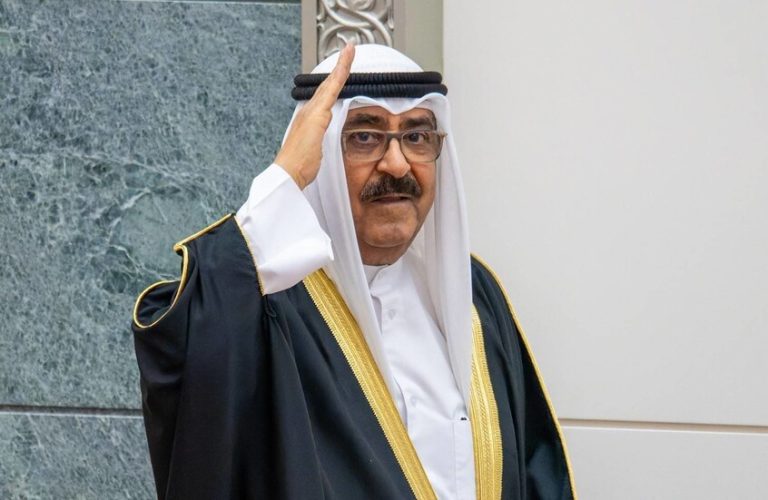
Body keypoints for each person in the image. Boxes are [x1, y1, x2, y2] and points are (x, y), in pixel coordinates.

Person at [132, 44, 576, 500]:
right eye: (364, 137)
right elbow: (189, 371)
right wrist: (285, 180)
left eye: (417, 136)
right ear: (317, 154)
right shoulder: (266, 300)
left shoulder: (471, 292)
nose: (398, 164)